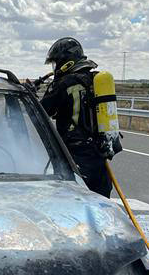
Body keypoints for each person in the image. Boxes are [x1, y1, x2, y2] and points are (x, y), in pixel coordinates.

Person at [36, 37, 118, 197]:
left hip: (74, 155)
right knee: (100, 202)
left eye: (56, 63)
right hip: (98, 154)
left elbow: (42, 111)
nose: (55, 68)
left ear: (66, 61)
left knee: (69, 202)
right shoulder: (96, 80)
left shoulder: (65, 84)